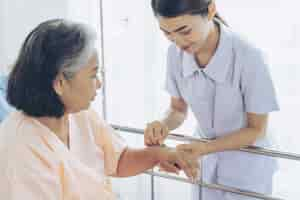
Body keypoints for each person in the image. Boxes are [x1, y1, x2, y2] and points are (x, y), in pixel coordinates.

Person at [0, 19, 199, 200]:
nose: (99, 84)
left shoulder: (79, 114)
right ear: (60, 83)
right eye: (93, 75)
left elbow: (118, 160)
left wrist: (160, 154)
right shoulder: (21, 150)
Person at [144, 0, 279, 199]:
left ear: (210, 10)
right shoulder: (175, 53)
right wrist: (162, 125)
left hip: (249, 166)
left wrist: (205, 148)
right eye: (167, 33)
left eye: (184, 31)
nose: (178, 42)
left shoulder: (250, 57)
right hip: (204, 161)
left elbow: (256, 129)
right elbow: (177, 110)